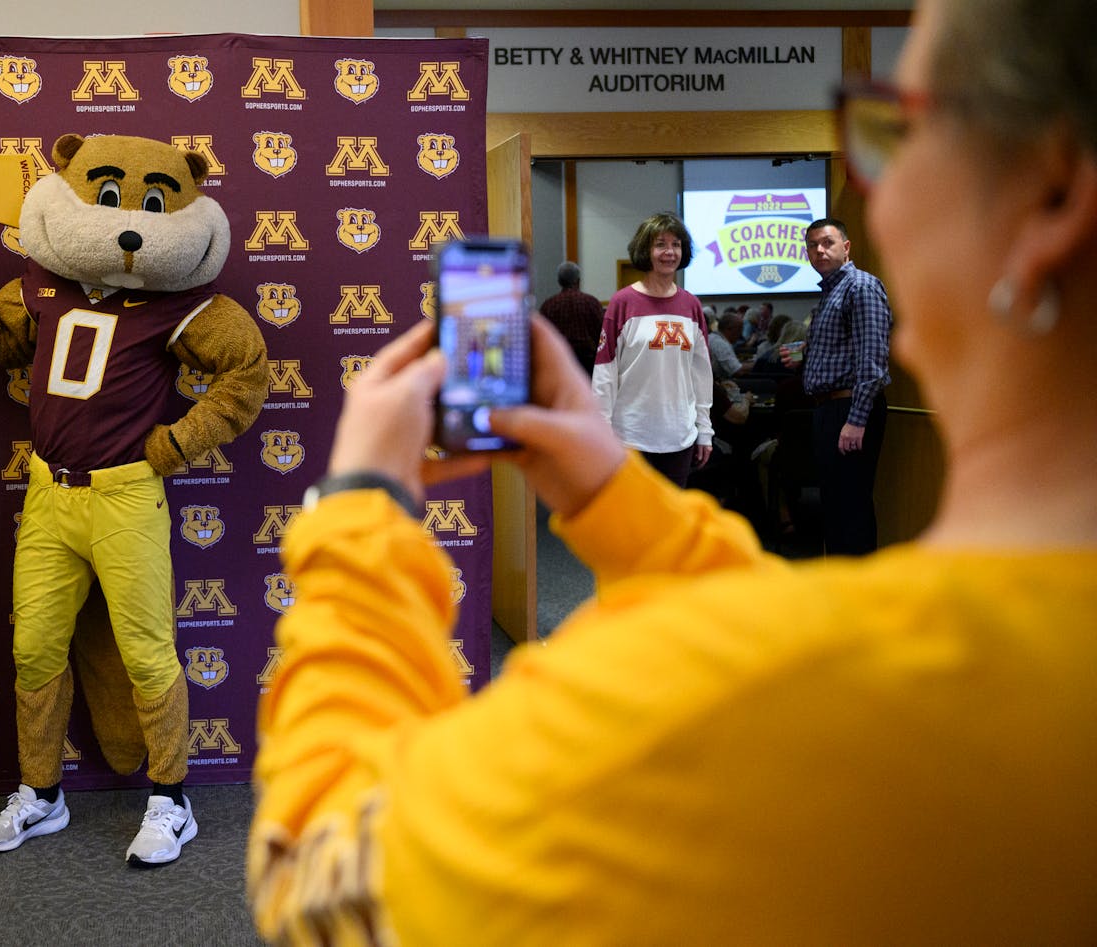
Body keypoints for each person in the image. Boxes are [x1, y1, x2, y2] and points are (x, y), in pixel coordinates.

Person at [246, 0, 1097, 938]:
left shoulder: (694, 701)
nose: (876, 196)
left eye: (900, 130)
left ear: (1049, 198)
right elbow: (776, 636)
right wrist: (616, 495)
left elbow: (317, 877)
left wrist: (363, 506)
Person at [788, 217, 892, 555]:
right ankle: (841, 590)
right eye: (812, 245)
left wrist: (857, 419)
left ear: (846, 247)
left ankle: (860, 598)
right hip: (829, 408)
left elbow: (873, 358)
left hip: (850, 410)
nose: (819, 250)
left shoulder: (861, 286)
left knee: (851, 508)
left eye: (827, 243)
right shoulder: (833, 291)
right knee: (835, 507)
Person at [591, 211, 713, 486]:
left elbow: (702, 374)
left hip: (679, 437)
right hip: (630, 438)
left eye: (676, 244)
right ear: (645, 250)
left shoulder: (691, 305)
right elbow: (605, 373)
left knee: (670, 524)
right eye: (661, 244)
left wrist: (704, 430)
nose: (669, 252)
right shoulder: (622, 303)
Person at [537, 260, 604, 373]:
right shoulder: (592, 303)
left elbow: (542, 339)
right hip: (589, 365)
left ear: (559, 281)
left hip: (559, 364)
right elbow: (602, 335)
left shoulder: (548, 306)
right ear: (578, 280)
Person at [707, 309, 753, 380]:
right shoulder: (720, 344)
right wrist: (757, 364)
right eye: (739, 330)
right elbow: (738, 371)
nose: (741, 334)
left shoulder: (712, 337)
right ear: (729, 329)